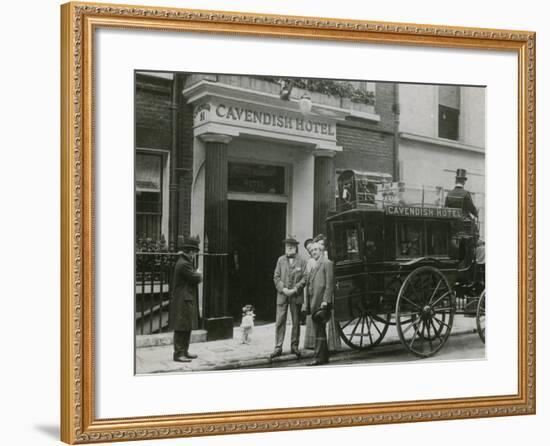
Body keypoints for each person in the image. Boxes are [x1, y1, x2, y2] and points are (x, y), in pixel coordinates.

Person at [271, 236, 308, 359]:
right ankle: (278, 347)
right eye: (287, 246)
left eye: (292, 245)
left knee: (296, 322)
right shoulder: (280, 260)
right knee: (280, 321)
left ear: (296, 247)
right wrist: (284, 289)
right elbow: (276, 277)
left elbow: (305, 278)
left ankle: (294, 346)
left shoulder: (302, 261)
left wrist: (295, 289)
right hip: (282, 295)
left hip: (296, 296)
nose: (289, 247)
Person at [169, 235, 202, 363]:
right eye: (194, 252)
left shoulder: (185, 262)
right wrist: (199, 273)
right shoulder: (184, 264)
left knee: (186, 326)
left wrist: (197, 274)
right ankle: (178, 354)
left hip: (186, 298)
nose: (194, 254)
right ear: (190, 251)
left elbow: (195, 277)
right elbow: (196, 278)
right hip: (182, 299)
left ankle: (184, 351)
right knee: (181, 326)